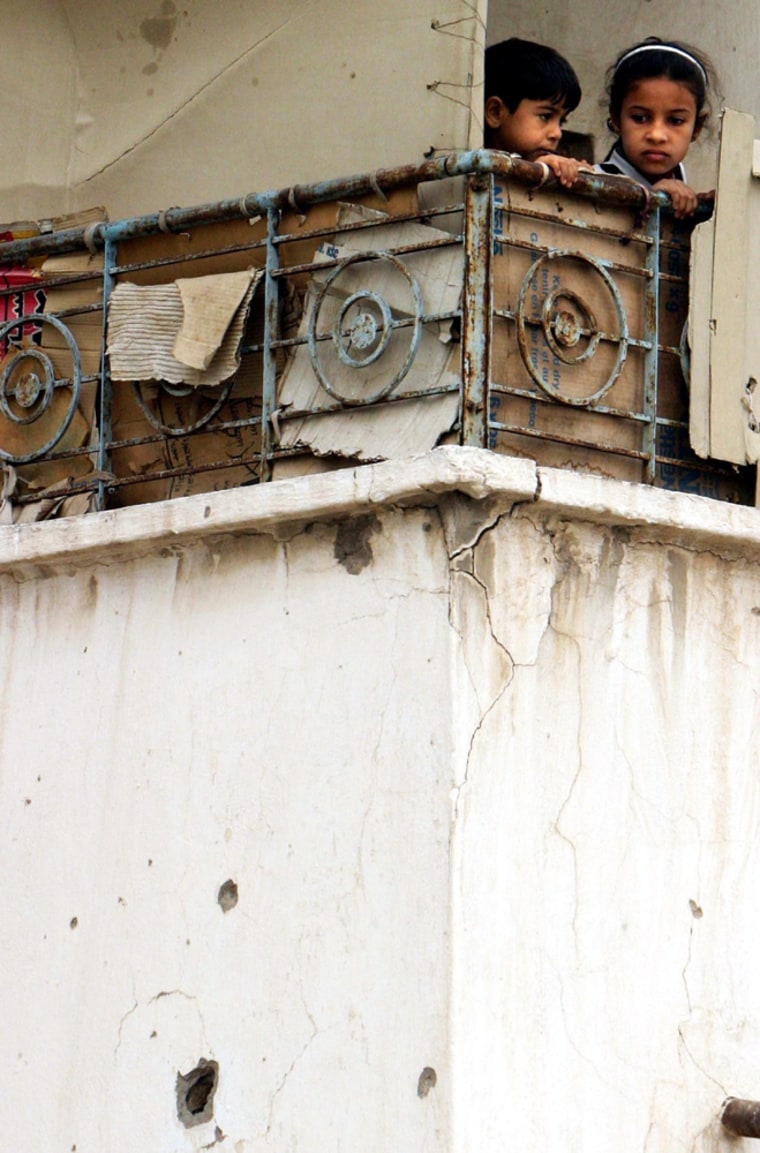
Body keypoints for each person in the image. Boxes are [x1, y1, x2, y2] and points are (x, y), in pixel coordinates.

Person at [598, 37, 716, 217]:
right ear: (616, 118)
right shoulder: (595, 182)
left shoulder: (679, 175)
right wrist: (653, 198)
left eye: (675, 121)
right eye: (640, 118)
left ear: (697, 127)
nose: (656, 135)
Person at [484, 38, 588, 188]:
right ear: (495, 113)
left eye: (561, 121)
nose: (557, 134)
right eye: (545, 116)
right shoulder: (468, 171)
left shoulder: (552, 166)